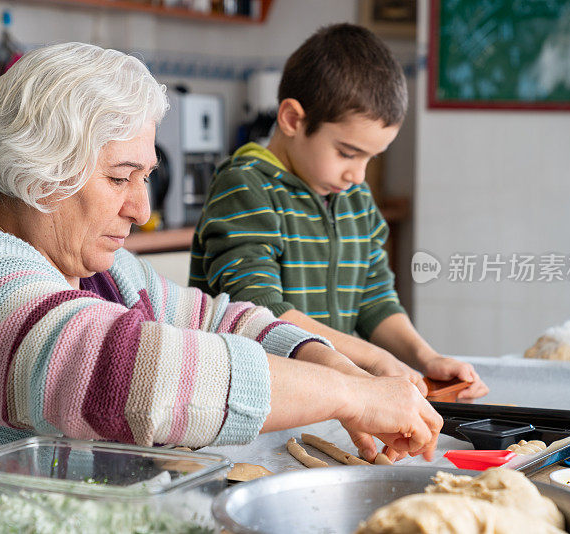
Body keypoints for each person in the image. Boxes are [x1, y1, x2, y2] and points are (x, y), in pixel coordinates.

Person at [0, 42, 442, 534]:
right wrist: (353, 397)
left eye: (146, 177)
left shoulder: (101, 271)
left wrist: (338, 369)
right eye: (121, 177)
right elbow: (135, 378)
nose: (142, 210)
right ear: (41, 170)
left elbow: (220, 320)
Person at [189, 24, 488, 435]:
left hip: (331, 409)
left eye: (371, 158)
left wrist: (424, 356)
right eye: (348, 152)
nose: (358, 174)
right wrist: (376, 361)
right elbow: (259, 310)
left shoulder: (353, 196)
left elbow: (374, 298)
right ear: (293, 119)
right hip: (250, 411)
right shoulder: (245, 188)